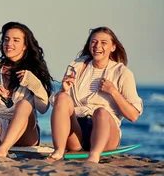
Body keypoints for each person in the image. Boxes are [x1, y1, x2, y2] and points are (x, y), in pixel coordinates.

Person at [48, 26, 143, 163]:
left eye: (104, 42)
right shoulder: (76, 66)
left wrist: (113, 92)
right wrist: (64, 90)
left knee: (101, 112)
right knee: (62, 97)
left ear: (113, 47)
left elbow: (133, 116)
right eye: (94, 42)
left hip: (106, 132)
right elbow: (59, 107)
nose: (97, 46)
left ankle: (94, 156)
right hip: (77, 132)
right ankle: (58, 151)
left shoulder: (122, 73)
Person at [0, 22, 53, 157]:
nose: (9, 43)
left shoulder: (34, 69)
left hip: (23, 132)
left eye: (15, 40)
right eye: (6, 39)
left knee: (24, 104)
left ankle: (3, 149)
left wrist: (34, 84)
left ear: (25, 46)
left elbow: (43, 108)